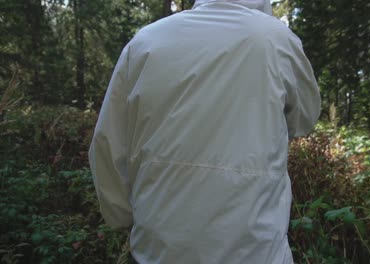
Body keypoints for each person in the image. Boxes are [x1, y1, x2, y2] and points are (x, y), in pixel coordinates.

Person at [88, 0, 321, 263]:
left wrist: (123, 218)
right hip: (257, 252)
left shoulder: (146, 42)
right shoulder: (276, 40)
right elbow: (304, 119)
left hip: (156, 252)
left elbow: (108, 145)